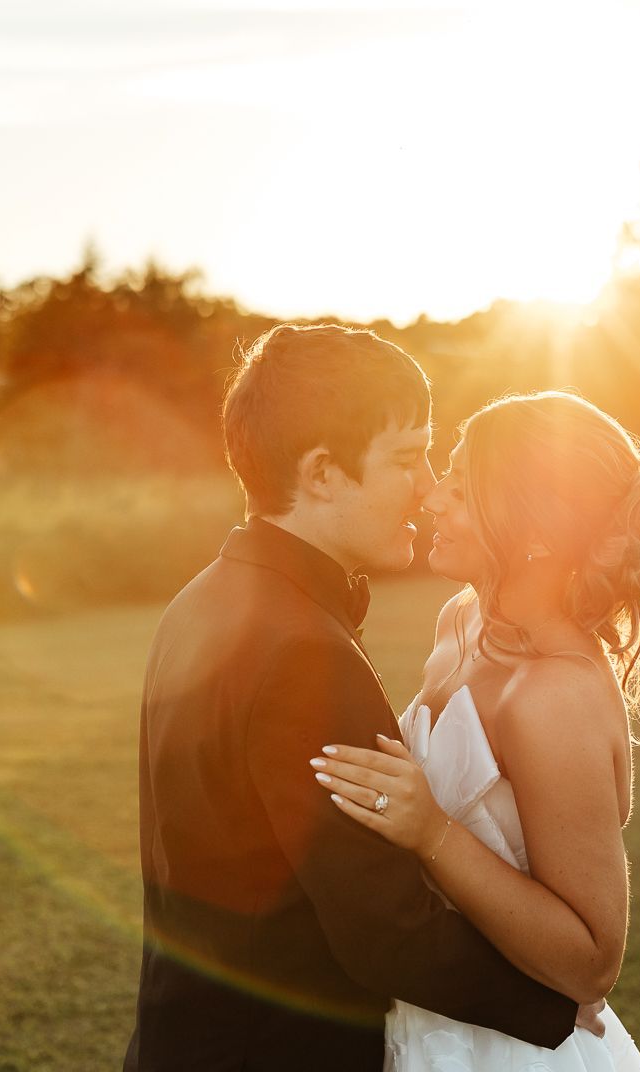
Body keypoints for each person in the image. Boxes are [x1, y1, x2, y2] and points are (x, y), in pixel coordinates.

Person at [125, 326, 602, 1071]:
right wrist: (555, 1008)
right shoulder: (302, 650)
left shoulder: (202, 600)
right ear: (321, 473)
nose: (429, 485)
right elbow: (384, 929)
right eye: (409, 459)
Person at [316, 391, 640, 1070]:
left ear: (538, 534)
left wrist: (432, 833)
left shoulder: (554, 696)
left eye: (459, 488)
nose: (432, 500)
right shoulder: (461, 619)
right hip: (428, 1013)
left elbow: (590, 964)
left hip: (512, 1049)